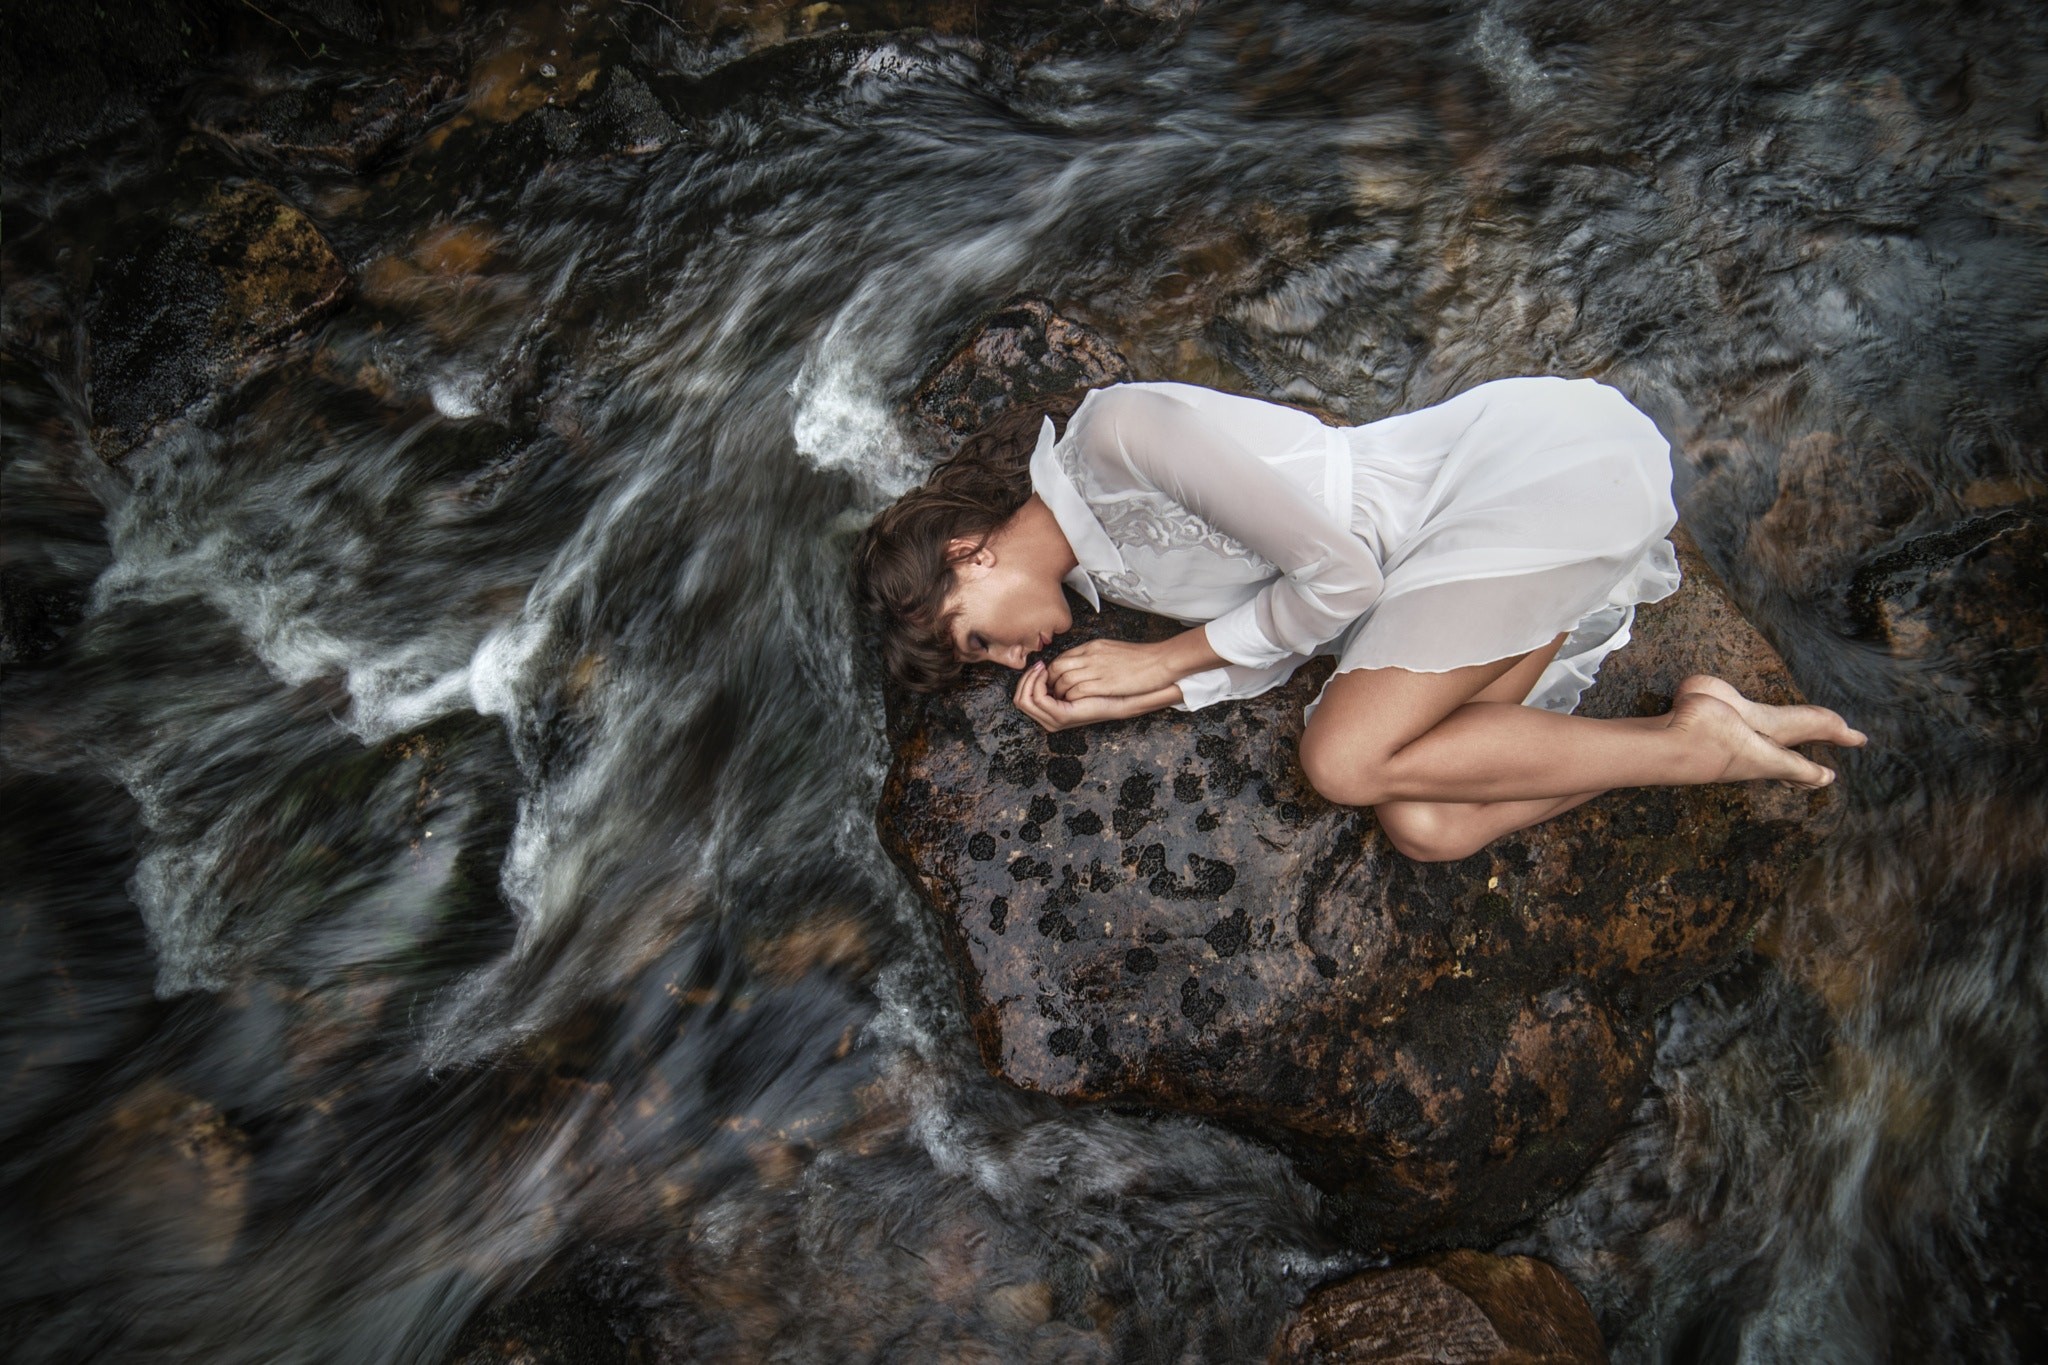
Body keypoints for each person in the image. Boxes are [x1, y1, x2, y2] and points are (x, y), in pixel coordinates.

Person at [855, 377, 1865, 862]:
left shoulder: (1115, 435)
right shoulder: (1110, 578)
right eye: (986, 664)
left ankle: (1700, 750)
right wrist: (1141, 688)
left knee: (1338, 763)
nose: (1005, 658)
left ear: (965, 554)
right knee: (1426, 827)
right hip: (1438, 577)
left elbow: (1335, 580)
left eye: (974, 636)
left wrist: (1162, 656)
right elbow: (1279, 637)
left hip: (1513, 483)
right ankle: (1690, 724)